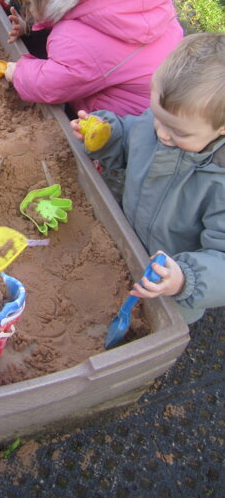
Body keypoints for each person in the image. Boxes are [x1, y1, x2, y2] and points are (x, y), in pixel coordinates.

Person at [70, 33, 225, 325]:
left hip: (170, 282)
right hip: (126, 240)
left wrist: (184, 279)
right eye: (157, 116)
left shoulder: (219, 183)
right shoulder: (159, 125)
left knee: (158, 321)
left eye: (178, 132)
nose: (162, 134)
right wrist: (108, 136)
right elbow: (131, 140)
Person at [3, 0, 186, 116]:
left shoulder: (75, 38)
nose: (27, 11)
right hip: (168, 95)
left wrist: (19, 73)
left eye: (28, 3)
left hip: (133, 119)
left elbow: (52, 85)